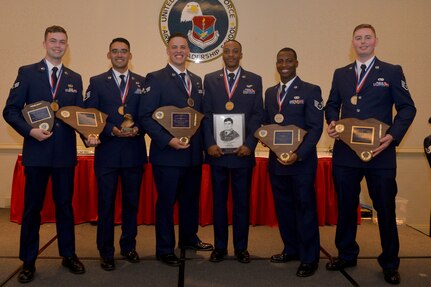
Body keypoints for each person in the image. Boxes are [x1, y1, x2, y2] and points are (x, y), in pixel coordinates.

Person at [325, 24, 416, 285]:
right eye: (358, 38)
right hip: (346, 153)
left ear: (376, 40)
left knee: (385, 209)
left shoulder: (391, 71)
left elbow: (407, 108)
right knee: (345, 207)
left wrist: (393, 136)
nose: (362, 42)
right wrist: (333, 122)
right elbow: (332, 104)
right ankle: (346, 254)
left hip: (380, 153)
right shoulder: (340, 74)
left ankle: (390, 262)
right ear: (352, 42)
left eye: (367, 38)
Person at [3, 25, 86, 283]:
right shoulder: (27, 73)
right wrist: (30, 132)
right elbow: (10, 110)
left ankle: (68, 254)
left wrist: (89, 136)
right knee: (32, 209)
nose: (58, 46)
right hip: (37, 152)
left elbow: (80, 117)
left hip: (63, 154)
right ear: (44, 43)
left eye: (62, 42)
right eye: (53, 41)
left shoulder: (74, 77)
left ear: (67, 45)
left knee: (65, 207)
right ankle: (28, 261)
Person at [139, 32, 213, 267]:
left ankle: (189, 238)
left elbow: (201, 119)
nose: (179, 51)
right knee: (167, 202)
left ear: (189, 51)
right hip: (168, 155)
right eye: (174, 47)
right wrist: (168, 140)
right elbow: (145, 117)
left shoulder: (197, 81)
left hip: (192, 155)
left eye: (183, 47)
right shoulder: (155, 78)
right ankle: (164, 248)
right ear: (168, 50)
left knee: (190, 200)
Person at [84, 38, 147, 271]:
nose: (120, 55)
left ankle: (128, 246)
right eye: (115, 51)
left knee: (131, 204)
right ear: (108, 55)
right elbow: (91, 114)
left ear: (130, 55)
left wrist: (139, 127)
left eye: (124, 51)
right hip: (108, 153)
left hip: (134, 152)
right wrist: (111, 128)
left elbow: (147, 112)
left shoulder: (142, 82)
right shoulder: (97, 82)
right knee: (106, 205)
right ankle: (106, 251)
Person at [202, 39, 264, 263]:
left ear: (241, 54)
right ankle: (219, 247)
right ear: (222, 54)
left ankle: (241, 248)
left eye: (234, 51)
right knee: (218, 204)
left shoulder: (254, 80)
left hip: (242, 154)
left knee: (241, 203)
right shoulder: (210, 80)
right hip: (217, 154)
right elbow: (205, 114)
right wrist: (209, 143)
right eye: (226, 51)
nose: (230, 55)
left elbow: (258, 114)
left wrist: (250, 143)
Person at [264, 47, 323, 277]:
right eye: (280, 61)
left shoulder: (310, 90)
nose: (284, 64)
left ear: (296, 63)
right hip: (277, 161)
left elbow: (316, 128)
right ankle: (291, 248)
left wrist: (298, 154)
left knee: (305, 208)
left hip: (302, 163)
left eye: (288, 60)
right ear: (276, 64)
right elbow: (269, 126)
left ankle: (310, 258)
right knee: (284, 208)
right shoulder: (270, 93)